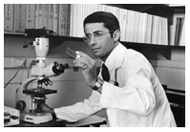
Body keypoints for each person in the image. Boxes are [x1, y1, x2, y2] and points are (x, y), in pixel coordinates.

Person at [41, 11, 177, 127]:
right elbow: (92, 105)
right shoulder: (107, 68)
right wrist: (54, 113)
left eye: (98, 34)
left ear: (116, 35)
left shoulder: (133, 60)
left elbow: (144, 103)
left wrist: (95, 82)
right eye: (88, 36)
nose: (92, 42)